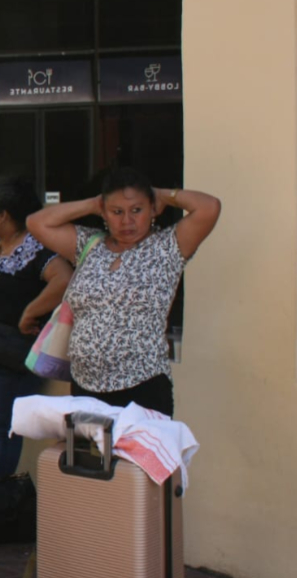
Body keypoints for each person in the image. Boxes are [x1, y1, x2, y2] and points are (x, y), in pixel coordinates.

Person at [27, 168, 221, 415]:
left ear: (152, 210)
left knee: (133, 456)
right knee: (89, 455)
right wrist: (93, 203)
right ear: (104, 214)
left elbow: (209, 207)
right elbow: (36, 222)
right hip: (85, 386)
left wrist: (162, 195)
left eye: (136, 210)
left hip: (142, 387)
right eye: (116, 212)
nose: (126, 221)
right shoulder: (90, 245)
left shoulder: (168, 247)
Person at [0, 177, 72, 478]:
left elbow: (64, 278)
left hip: (10, 353)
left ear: (3, 215)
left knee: (5, 427)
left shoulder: (35, 248)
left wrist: (31, 311)